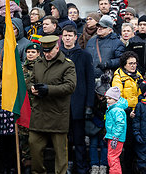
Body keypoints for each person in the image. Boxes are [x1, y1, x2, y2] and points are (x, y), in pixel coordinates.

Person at [27, 35, 76, 174]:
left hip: (58, 114)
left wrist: (48, 89)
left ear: (57, 47)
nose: (47, 54)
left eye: (49, 51)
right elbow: (30, 81)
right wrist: (31, 88)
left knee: (61, 154)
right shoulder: (38, 63)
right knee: (34, 145)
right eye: (44, 51)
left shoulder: (67, 64)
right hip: (39, 114)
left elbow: (70, 86)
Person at [60, 26, 95, 174]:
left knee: (80, 140)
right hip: (61, 105)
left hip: (79, 104)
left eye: (70, 35)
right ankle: (66, 164)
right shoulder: (58, 55)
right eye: (65, 35)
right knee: (63, 140)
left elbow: (90, 81)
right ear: (61, 37)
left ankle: (81, 166)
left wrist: (89, 105)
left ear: (76, 37)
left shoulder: (85, 56)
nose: (67, 38)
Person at [112, 51, 143, 174]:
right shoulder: (118, 77)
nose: (133, 66)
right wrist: (128, 110)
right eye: (130, 63)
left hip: (137, 113)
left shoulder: (139, 76)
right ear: (124, 64)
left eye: (135, 63)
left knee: (137, 144)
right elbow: (117, 97)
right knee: (128, 145)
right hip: (126, 114)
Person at [20, 43, 41, 174]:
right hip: (25, 107)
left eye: (33, 52)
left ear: (39, 53)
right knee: (24, 137)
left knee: (38, 138)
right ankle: (26, 164)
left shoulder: (43, 67)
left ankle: (38, 165)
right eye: (28, 52)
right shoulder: (22, 68)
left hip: (39, 107)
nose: (30, 54)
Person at [85, 15, 125, 79]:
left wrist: (108, 63)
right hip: (89, 77)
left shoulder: (117, 43)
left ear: (110, 30)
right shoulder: (91, 40)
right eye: (98, 26)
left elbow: (121, 60)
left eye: (103, 27)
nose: (99, 28)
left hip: (106, 80)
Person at [104, 86, 128, 174]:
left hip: (116, 138)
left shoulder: (116, 110)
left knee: (112, 157)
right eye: (107, 98)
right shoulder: (113, 109)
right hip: (113, 137)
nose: (108, 100)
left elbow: (120, 124)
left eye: (110, 98)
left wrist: (115, 137)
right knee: (112, 157)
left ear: (116, 99)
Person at [90, 74, 110, 174]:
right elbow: (91, 114)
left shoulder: (110, 102)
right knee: (93, 145)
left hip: (105, 127)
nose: (101, 97)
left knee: (104, 145)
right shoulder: (93, 101)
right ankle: (94, 165)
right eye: (99, 95)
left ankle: (103, 165)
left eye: (103, 96)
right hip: (94, 126)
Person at [0, 82, 17, 173]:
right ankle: (4, 168)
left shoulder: (14, 93)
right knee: (3, 149)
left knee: (13, 149)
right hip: (2, 128)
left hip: (12, 128)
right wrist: (0, 112)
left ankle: (12, 168)